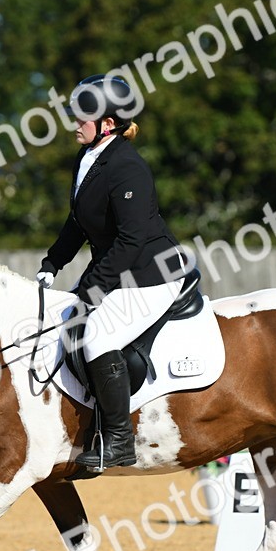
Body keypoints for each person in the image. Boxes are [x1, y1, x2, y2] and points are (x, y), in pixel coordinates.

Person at [37, 74, 187, 470]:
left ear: (107, 124)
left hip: (154, 274)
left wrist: (93, 287)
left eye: (83, 116)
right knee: (67, 324)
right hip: (120, 269)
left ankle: (118, 439)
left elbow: (132, 239)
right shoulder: (88, 158)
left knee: (98, 335)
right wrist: (54, 261)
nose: (74, 122)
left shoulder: (128, 167)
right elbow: (77, 221)